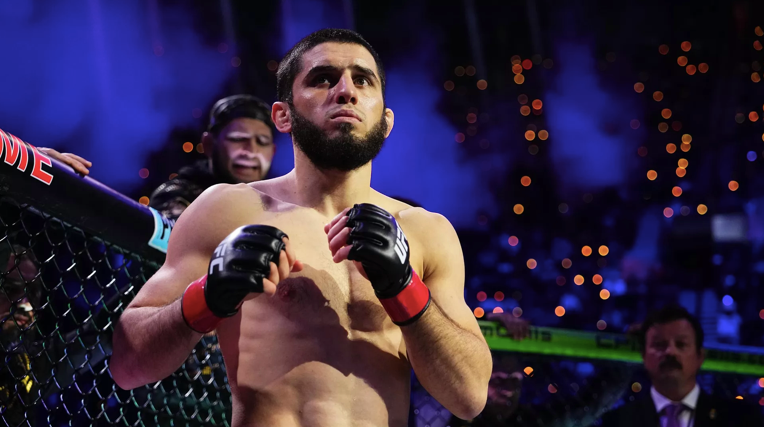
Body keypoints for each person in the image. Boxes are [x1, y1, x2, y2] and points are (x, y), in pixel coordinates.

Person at [111, 28, 492, 427]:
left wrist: (404, 288)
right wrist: (208, 297)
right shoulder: (228, 209)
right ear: (283, 115)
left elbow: (469, 397)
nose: (346, 91)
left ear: (386, 120)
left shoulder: (426, 232)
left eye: (363, 80)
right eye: (323, 78)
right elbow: (127, 365)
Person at [601, 305, 763, 427]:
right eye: (659, 344)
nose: (670, 352)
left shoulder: (740, 420)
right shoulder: (617, 422)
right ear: (644, 356)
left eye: (681, 344)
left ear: (699, 356)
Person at [149, 94, 277, 221]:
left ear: (273, 152)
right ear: (208, 144)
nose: (251, 151)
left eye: (262, 142)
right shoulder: (178, 196)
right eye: (237, 138)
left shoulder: (277, 203)